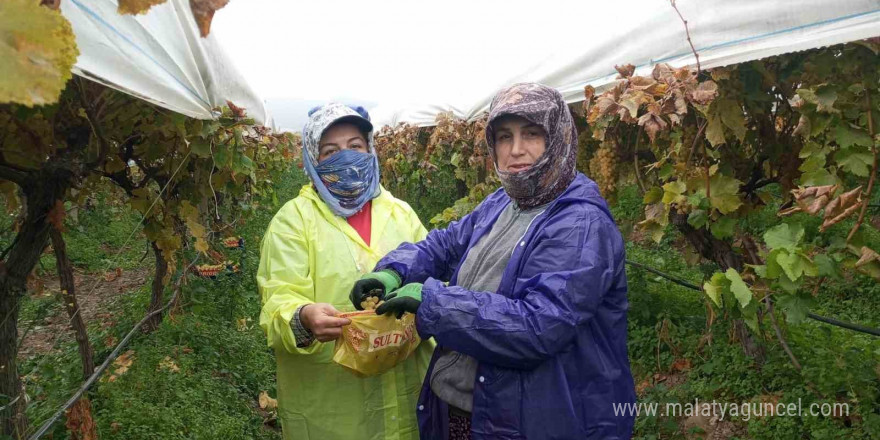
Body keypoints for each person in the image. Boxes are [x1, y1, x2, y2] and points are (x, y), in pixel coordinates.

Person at [349, 83, 636, 439]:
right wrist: (395, 271)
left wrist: (434, 301)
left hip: (536, 420)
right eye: (503, 137)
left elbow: (536, 327)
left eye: (531, 134)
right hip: (475, 408)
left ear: (558, 138)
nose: (515, 150)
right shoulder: (504, 201)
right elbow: (446, 244)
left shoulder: (579, 224)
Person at [257, 103, 434, 440]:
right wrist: (303, 317)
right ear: (312, 159)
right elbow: (277, 300)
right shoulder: (293, 221)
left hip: (408, 389)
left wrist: (426, 294)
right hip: (333, 405)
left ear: (370, 150)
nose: (347, 158)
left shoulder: (401, 214)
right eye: (330, 151)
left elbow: (435, 270)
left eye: (355, 146)